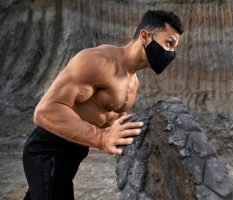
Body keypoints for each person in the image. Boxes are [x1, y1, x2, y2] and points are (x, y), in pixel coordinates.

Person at [22, 10, 184, 200]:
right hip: (49, 148)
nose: (171, 53)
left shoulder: (133, 83)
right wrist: (101, 138)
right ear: (145, 36)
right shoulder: (96, 61)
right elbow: (44, 111)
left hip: (73, 151)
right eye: (169, 43)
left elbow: (110, 116)